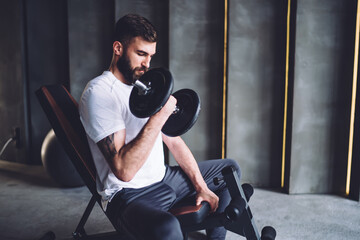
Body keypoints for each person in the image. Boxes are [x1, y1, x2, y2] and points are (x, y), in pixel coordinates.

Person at [79, 13, 241, 240]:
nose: (147, 64)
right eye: (141, 54)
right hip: (129, 195)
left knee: (229, 171)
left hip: (164, 178)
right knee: (167, 228)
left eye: (151, 56)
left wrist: (201, 186)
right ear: (118, 48)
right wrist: (159, 115)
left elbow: (173, 141)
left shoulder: (146, 88)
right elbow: (124, 171)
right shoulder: (99, 93)